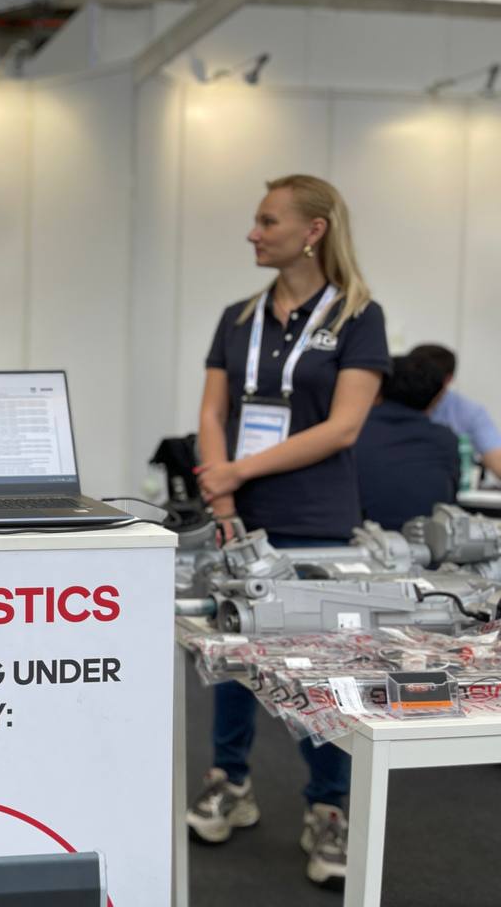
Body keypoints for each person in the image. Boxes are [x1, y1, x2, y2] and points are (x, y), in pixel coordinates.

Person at [187, 174, 390, 889]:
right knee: (234, 657)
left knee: (322, 671)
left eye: (268, 220)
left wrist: (236, 471)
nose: (253, 232)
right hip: (239, 516)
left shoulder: (359, 317)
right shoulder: (238, 317)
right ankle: (230, 781)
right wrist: (221, 495)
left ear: (313, 231)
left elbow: (344, 427)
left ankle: (328, 808)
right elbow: (212, 413)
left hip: (317, 521)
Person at [355, 354, 459, 530]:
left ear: (378, 387)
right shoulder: (445, 439)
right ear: (436, 397)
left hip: (359, 537)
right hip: (426, 540)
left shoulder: (353, 431)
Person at [408, 344, 501, 484]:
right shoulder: (391, 405)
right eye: (417, 376)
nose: (422, 383)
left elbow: (496, 458)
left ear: (448, 379)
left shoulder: (469, 412)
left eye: (431, 378)